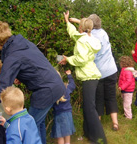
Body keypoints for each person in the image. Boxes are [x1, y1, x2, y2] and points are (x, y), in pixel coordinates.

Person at [0, 21, 66, 144]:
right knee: (38, 123)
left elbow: (2, 87)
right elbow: (33, 65)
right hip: (56, 84)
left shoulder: (13, 56)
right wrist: (21, 76)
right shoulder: (23, 44)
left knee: (26, 125)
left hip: (46, 91)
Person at [59, 11, 107, 144]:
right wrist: (68, 22)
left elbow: (81, 59)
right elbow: (74, 34)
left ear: (81, 27)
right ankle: (89, 134)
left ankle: (100, 139)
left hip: (89, 77)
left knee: (90, 108)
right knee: (88, 106)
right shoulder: (90, 39)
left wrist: (67, 59)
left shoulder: (82, 42)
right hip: (92, 76)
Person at [69, 14, 119, 130]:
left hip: (99, 72)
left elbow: (89, 55)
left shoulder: (89, 37)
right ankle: (115, 123)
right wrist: (77, 21)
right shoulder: (103, 32)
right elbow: (89, 26)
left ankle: (98, 124)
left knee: (99, 98)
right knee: (111, 96)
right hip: (111, 70)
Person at [51, 70, 76, 144]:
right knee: (67, 132)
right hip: (68, 113)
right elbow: (72, 85)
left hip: (59, 115)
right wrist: (69, 75)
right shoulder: (66, 87)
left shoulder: (52, 91)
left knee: (60, 135)